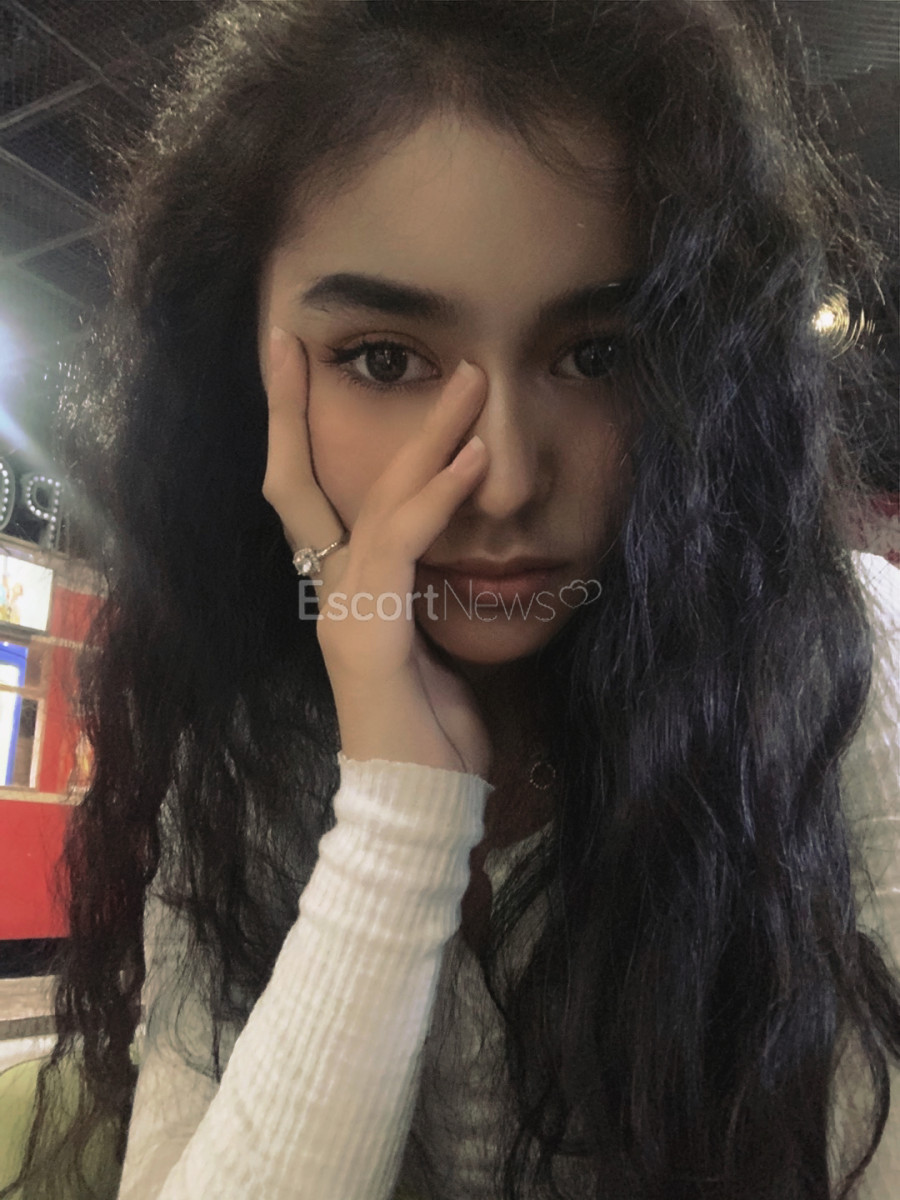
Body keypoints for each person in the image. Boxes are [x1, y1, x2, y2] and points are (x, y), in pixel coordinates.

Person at [4, 1, 899, 1197]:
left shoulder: (842, 675)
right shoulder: (247, 742)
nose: (507, 480)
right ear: (241, 364)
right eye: (385, 358)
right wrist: (400, 804)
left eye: (598, 354)